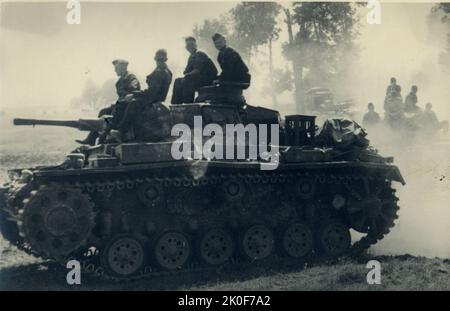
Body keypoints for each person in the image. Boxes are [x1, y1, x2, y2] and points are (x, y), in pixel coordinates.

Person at [76, 59, 141, 145]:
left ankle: (101, 141)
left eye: (117, 68)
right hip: (121, 105)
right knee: (103, 111)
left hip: (127, 106)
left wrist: (124, 100)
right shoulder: (120, 81)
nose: (115, 70)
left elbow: (134, 93)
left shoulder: (131, 78)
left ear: (123, 67)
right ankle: (91, 138)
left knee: (108, 119)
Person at [117, 50, 173, 139]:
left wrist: (134, 95)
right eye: (158, 60)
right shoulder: (165, 71)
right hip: (155, 98)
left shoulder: (161, 72)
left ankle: (122, 131)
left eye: (160, 60)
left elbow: (152, 92)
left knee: (133, 104)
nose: (159, 62)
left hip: (154, 99)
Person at [171, 37, 218, 105]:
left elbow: (197, 70)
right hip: (199, 79)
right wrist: (187, 74)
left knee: (188, 80)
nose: (190, 47)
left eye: (192, 44)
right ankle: (176, 105)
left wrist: (187, 75)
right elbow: (186, 71)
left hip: (208, 79)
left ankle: (188, 104)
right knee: (177, 81)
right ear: (186, 47)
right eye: (188, 45)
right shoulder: (191, 57)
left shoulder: (200, 54)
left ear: (196, 45)